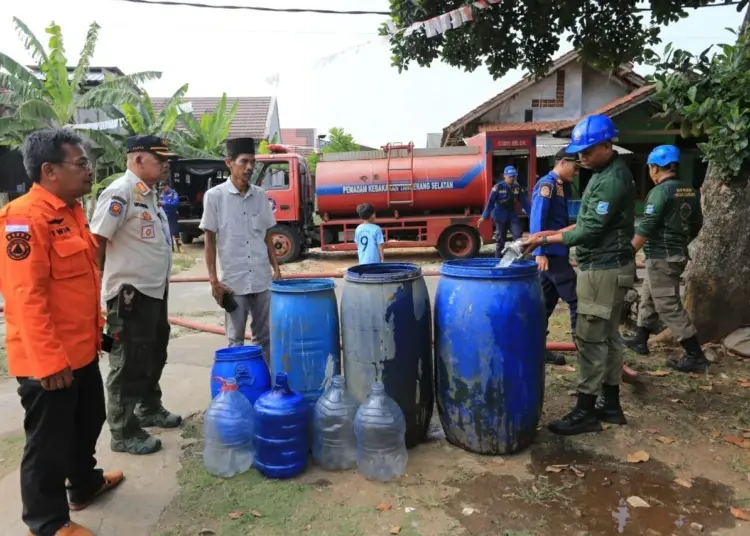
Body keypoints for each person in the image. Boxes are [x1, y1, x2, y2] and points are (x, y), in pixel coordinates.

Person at [0, 129, 123, 536]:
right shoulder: (23, 218)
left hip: (81, 350)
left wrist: (97, 336)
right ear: (49, 170)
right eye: (82, 164)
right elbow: (25, 297)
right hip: (48, 360)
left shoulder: (71, 211)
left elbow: (78, 285)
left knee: (89, 419)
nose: (90, 170)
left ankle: (84, 484)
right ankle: (47, 522)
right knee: (47, 443)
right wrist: (48, 362)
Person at [523, 114, 636, 436]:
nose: (581, 158)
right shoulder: (604, 173)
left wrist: (544, 240)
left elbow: (589, 231)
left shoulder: (610, 180)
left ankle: (586, 411)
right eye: (578, 153)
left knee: (589, 338)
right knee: (610, 337)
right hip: (611, 266)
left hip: (603, 269)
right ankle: (611, 406)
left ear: (606, 145)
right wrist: (549, 234)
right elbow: (586, 223)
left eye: (587, 151)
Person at [90, 135, 182, 456]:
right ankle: (123, 431)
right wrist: (98, 288)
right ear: (138, 160)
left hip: (153, 291)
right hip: (129, 294)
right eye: (160, 159)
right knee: (128, 360)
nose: (166, 164)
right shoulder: (120, 192)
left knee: (154, 351)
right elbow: (97, 242)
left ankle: (149, 408)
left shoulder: (151, 195)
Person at [623, 145, 707, 373]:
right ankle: (640, 339)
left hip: (663, 255)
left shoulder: (660, 192)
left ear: (654, 167)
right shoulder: (689, 190)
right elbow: (697, 223)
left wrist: (628, 251)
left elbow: (647, 226)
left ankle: (695, 355)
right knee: (649, 294)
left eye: (650, 167)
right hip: (673, 253)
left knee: (668, 304)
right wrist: (681, 239)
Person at [200, 137, 282, 363]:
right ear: (229, 162)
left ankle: (263, 384)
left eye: (252, 162)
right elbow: (210, 239)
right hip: (233, 282)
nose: (249, 168)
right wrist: (213, 281)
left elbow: (267, 235)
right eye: (244, 161)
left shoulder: (260, 196)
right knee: (235, 339)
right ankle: (238, 389)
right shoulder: (215, 197)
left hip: (262, 279)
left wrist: (276, 269)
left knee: (264, 337)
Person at [530, 149, 579, 366]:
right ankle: (585, 347)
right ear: (562, 162)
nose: (576, 172)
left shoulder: (560, 185)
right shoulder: (547, 185)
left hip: (556, 251)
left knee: (544, 305)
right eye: (575, 167)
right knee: (578, 299)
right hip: (550, 254)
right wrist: (539, 252)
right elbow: (537, 219)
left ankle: (536, 348)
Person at [477, 165, 530, 257]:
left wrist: (532, 215)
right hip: (500, 215)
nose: (512, 178)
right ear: (504, 175)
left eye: (514, 176)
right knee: (500, 240)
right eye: (510, 176)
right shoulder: (498, 187)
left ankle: (517, 258)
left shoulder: (517, 187)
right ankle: (498, 259)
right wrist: (484, 216)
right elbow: (490, 203)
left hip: (512, 215)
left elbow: (525, 203)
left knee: (517, 236)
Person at [160, 181, 182, 253]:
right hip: (164, 216)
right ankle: (170, 248)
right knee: (167, 232)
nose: (163, 189)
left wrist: (166, 203)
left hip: (172, 215)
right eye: (161, 188)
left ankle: (179, 247)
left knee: (175, 231)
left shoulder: (173, 193)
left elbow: (176, 203)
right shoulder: (161, 194)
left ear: (167, 186)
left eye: (163, 188)